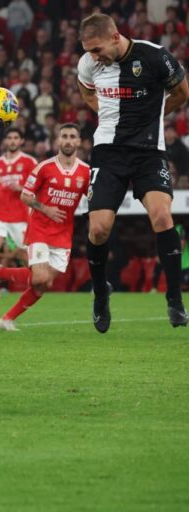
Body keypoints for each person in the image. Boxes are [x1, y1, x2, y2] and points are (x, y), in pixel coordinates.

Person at [78, 13, 189, 330]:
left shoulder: (155, 57)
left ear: (115, 36)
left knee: (162, 217)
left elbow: (182, 92)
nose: (92, 56)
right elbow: (85, 90)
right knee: (98, 229)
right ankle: (101, 294)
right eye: (88, 50)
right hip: (108, 153)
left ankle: (174, 299)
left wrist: (153, 114)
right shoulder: (89, 64)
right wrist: (104, 112)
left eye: (97, 49)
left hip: (148, 152)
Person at [0, 124, 90, 330]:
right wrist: (46, 209)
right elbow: (26, 195)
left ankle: (6, 319)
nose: (68, 140)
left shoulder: (85, 172)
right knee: (39, 277)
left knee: (44, 284)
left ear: (79, 142)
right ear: (58, 141)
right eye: (64, 136)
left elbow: (92, 197)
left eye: (72, 137)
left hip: (63, 233)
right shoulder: (43, 167)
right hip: (40, 229)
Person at [0, 128, 37, 304]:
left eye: (16, 138)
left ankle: (34, 285)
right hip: (0, 214)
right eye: (10, 138)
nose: (12, 141)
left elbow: (37, 187)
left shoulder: (29, 161)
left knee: (25, 255)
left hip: (20, 216)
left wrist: (21, 188)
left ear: (21, 141)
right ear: (5, 141)